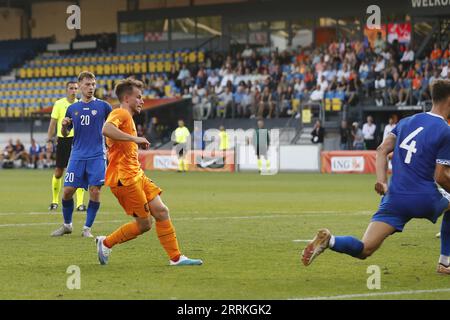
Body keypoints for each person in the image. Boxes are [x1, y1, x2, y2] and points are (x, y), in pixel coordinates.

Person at [301, 80, 450, 275]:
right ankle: (445, 263)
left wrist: (382, 181)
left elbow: (381, 150)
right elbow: (441, 176)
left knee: (365, 248)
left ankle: (329, 240)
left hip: (394, 197)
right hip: (424, 197)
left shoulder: (406, 122)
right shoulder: (446, 130)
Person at [96, 78, 202, 266]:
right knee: (145, 225)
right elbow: (106, 128)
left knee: (161, 211)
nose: (142, 101)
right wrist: (134, 139)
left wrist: (132, 140)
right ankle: (106, 242)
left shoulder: (128, 118)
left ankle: (176, 258)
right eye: (138, 97)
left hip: (137, 174)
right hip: (124, 179)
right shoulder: (121, 112)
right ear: (127, 98)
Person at [51, 71, 112, 238]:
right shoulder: (72, 109)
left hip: (97, 156)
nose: (91, 87)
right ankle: (67, 225)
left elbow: (114, 127)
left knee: (95, 191)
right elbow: (64, 133)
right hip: (77, 155)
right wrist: (64, 125)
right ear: (80, 87)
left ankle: (87, 228)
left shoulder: (104, 106)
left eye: (93, 84)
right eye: (87, 84)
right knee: (67, 191)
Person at [47, 81, 86, 211]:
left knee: (79, 172)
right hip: (63, 140)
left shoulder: (81, 104)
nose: (74, 90)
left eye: (76, 88)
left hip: (78, 140)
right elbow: (53, 123)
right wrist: (49, 140)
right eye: (71, 88)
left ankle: (80, 204)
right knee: (59, 172)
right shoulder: (59, 104)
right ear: (66, 90)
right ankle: (54, 201)